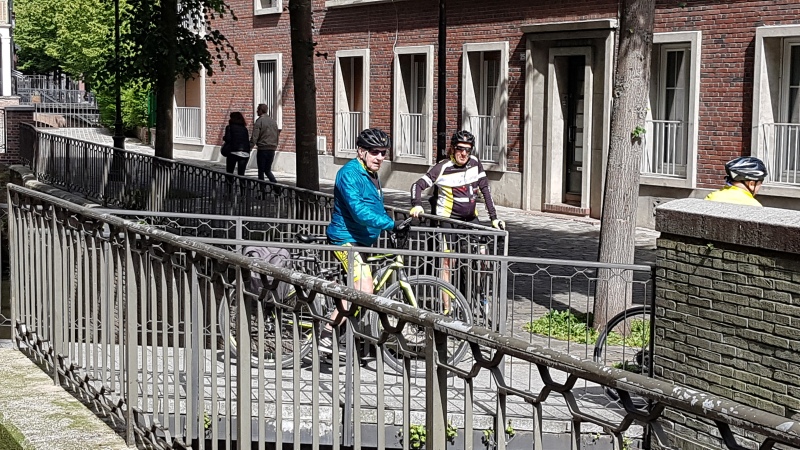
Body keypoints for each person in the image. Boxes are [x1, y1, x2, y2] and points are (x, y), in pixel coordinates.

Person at [322, 128, 407, 353]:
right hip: (345, 239)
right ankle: (327, 332)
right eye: (374, 152)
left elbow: (373, 205)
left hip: (361, 240)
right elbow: (359, 211)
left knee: (358, 288)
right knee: (364, 288)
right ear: (361, 151)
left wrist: (395, 221)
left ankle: (346, 335)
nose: (380, 157)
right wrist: (390, 224)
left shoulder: (371, 173)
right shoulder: (349, 174)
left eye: (383, 152)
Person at [408, 130, 505, 310]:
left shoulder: (475, 163)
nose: (464, 153)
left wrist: (494, 218)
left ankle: (478, 291)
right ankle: (448, 307)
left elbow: (485, 190)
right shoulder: (443, 167)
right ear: (453, 148)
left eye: (468, 150)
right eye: (460, 149)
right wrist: (417, 205)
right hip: (448, 221)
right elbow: (417, 185)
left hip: (470, 219)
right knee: (448, 262)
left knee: (484, 258)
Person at [250, 103, 279, 183]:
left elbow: (255, 136)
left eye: (257, 110)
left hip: (263, 148)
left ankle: (262, 189)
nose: (256, 111)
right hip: (272, 148)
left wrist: (250, 147)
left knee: (261, 171)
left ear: (260, 110)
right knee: (267, 170)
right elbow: (276, 134)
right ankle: (276, 186)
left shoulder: (259, 121)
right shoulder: (273, 121)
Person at [222, 112, 251, 177]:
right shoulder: (245, 129)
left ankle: (229, 183)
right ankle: (242, 183)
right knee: (241, 174)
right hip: (245, 153)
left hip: (233, 152)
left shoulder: (229, 127)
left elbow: (228, 139)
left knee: (229, 173)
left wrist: (224, 138)